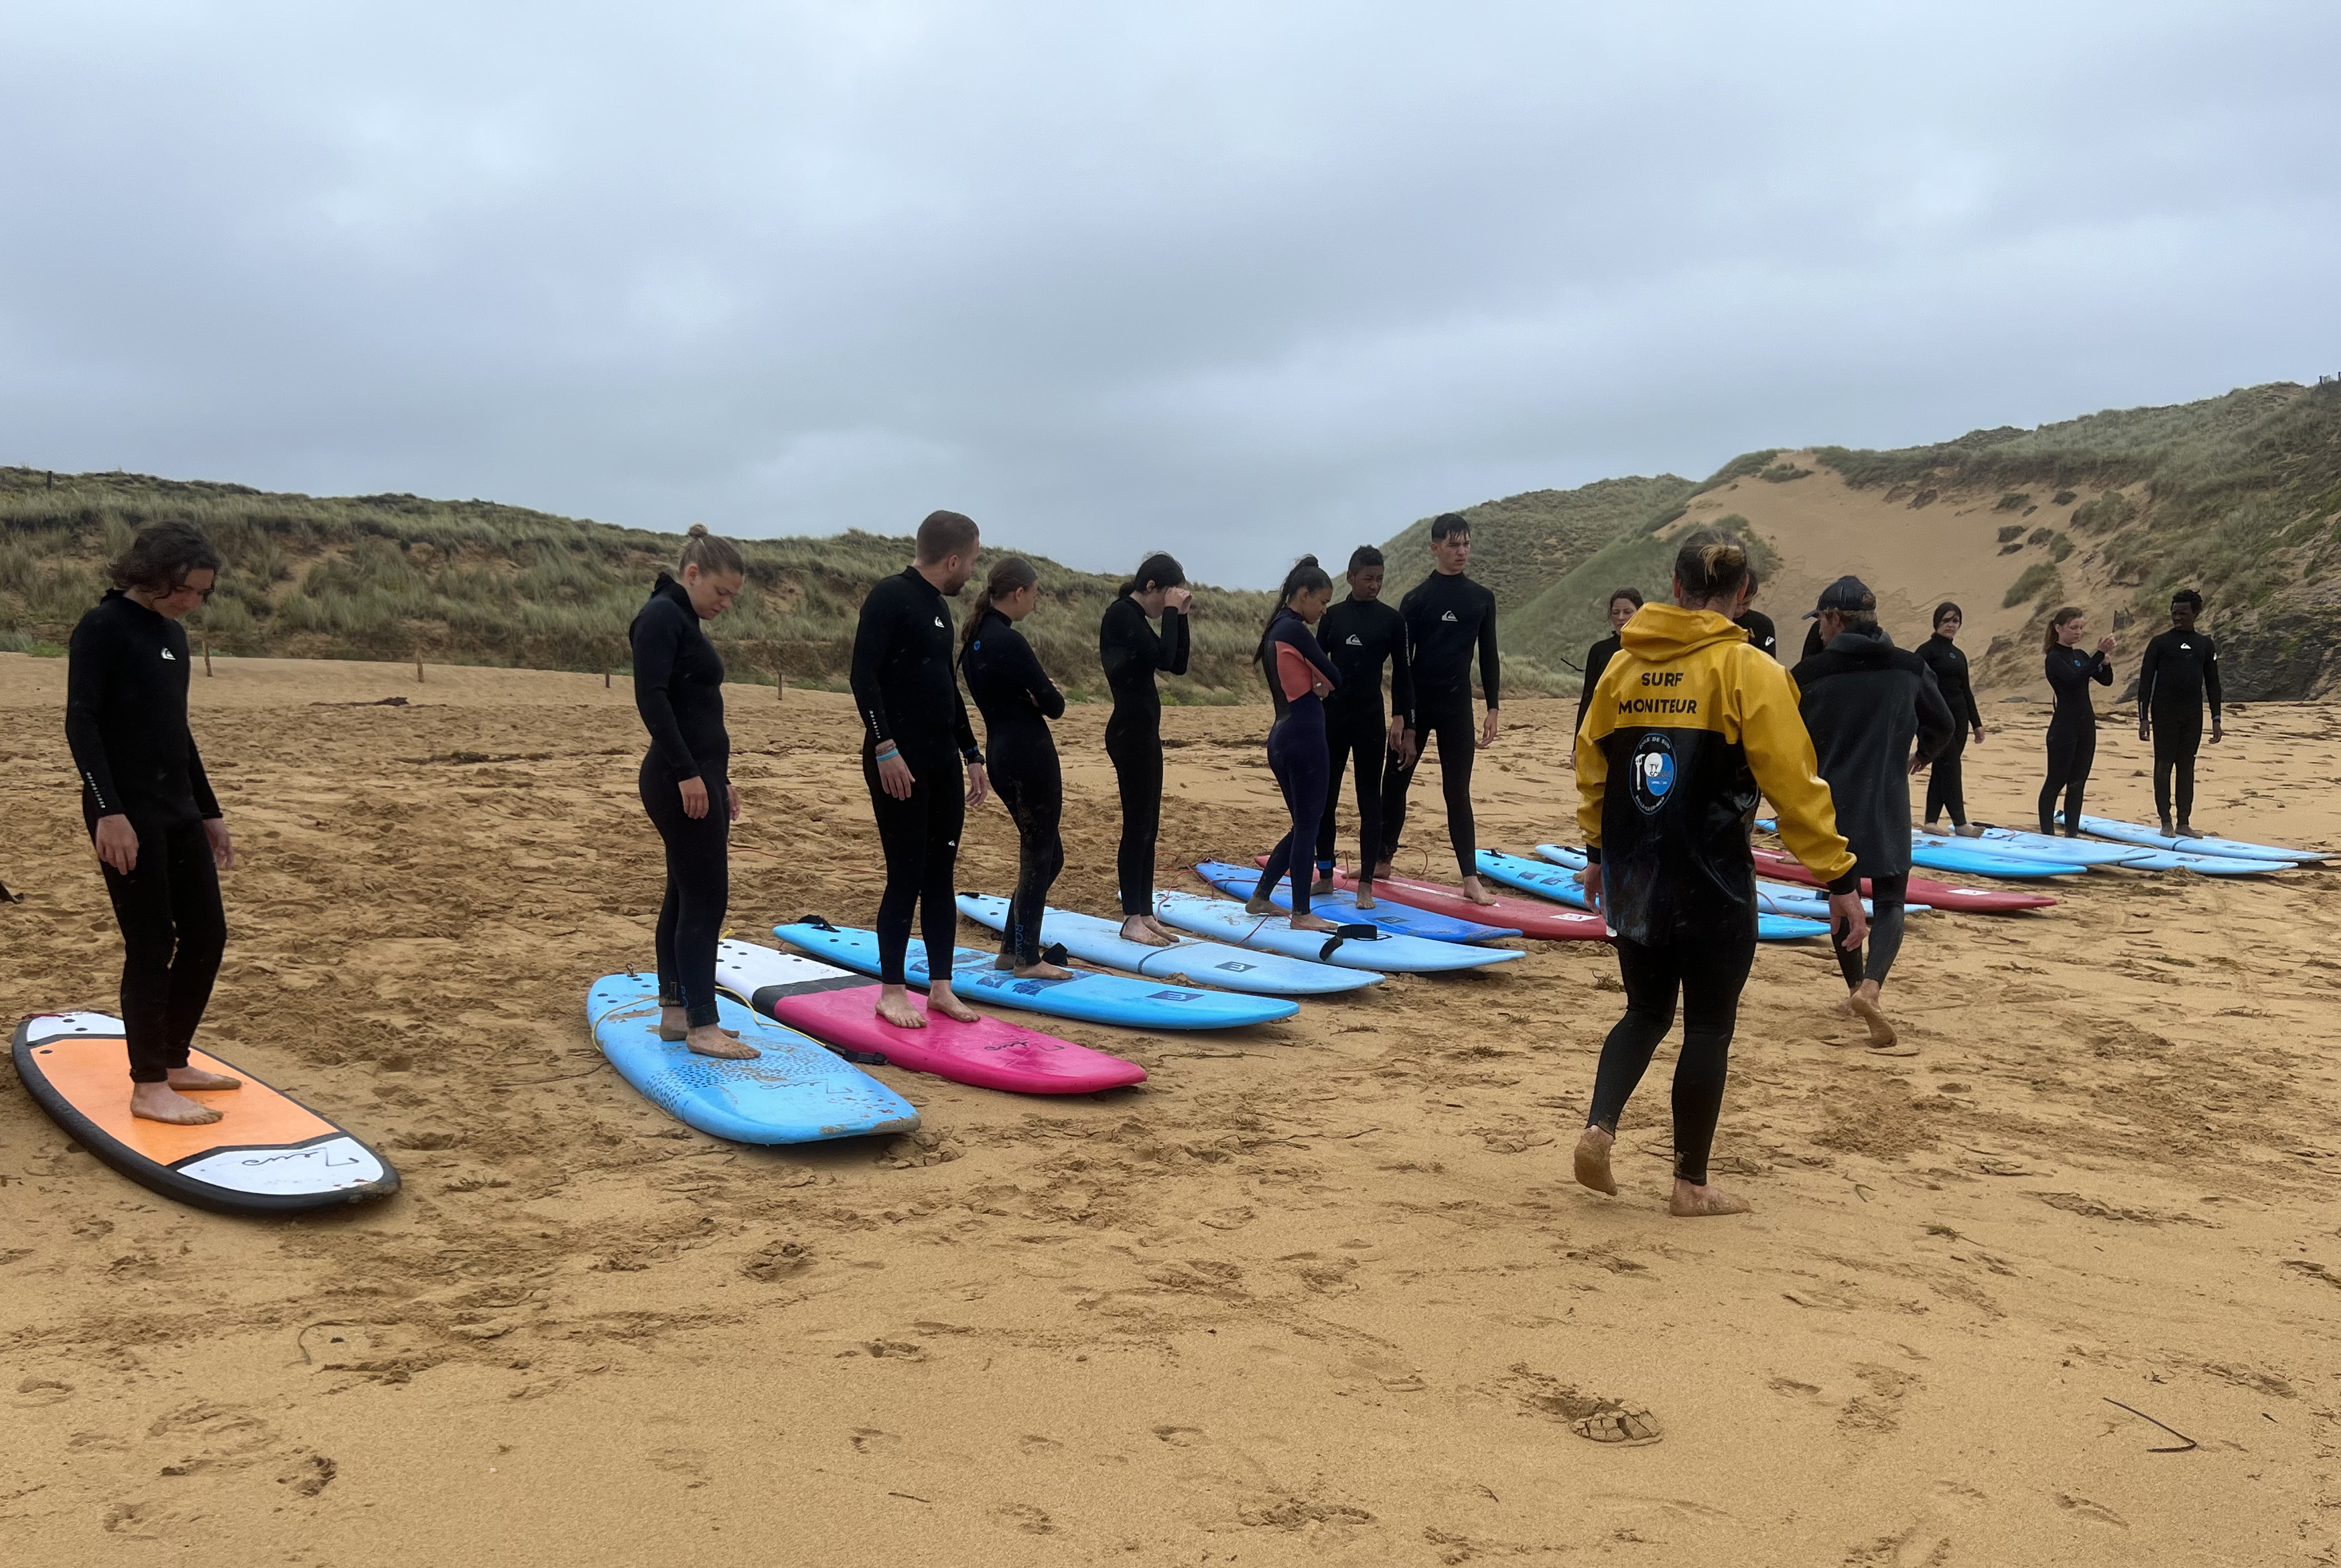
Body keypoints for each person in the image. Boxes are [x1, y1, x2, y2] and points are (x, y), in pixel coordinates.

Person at [1571, 532, 1867, 1218]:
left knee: (1644, 1010)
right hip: (1714, 878)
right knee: (1706, 1026)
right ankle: (1688, 1184)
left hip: (1636, 873)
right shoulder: (1750, 671)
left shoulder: (1622, 668)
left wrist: (1594, 850)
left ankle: (1598, 1125)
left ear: (1673, 587)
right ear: (1742, 596)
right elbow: (1795, 786)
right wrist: (1839, 878)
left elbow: (1591, 766)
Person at [65, 520, 241, 1125]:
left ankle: (172, 1059)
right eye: (185, 590)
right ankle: (148, 1088)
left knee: (206, 935)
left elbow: (177, 731)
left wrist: (210, 810)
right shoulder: (103, 627)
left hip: (177, 808)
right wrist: (107, 811)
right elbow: (81, 723)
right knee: (150, 942)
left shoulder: (172, 635)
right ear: (153, 574)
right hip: (126, 810)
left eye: (202, 593)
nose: (193, 602)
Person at [1792, 577, 1955, 1053]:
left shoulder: (1810, 674)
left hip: (1830, 802)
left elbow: (1781, 738)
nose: (1820, 630)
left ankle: (1853, 987)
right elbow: (1943, 722)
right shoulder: (1909, 666)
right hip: (1887, 797)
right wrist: (1923, 752)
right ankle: (1872, 987)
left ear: (1834, 619)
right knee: (1889, 901)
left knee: (1843, 899)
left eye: (1821, 620)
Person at [853, 510, 991, 1029]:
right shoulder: (890, 596)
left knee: (941, 874)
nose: (972, 573)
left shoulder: (939, 608)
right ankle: (891, 991)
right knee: (906, 873)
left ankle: (940, 987)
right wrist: (884, 744)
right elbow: (861, 674)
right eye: (972, 562)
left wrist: (972, 753)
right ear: (952, 559)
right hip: (898, 761)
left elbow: (944, 690)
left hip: (939, 760)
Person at [632, 524, 754, 1060]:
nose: (726, 603)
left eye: (734, 596)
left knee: (684, 893)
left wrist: (719, 778)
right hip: (676, 778)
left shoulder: (682, 618)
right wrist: (688, 774)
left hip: (697, 776)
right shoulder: (662, 616)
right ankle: (704, 1026)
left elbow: (698, 711)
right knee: (706, 897)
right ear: (692, 574)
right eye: (720, 591)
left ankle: (676, 1014)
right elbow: (652, 699)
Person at [1380, 513, 1501, 903]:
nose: (1461, 551)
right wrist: (1402, 716)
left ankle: (1470, 879)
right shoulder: (1417, 600)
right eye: (1453, 545)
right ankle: (1383, 859)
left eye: (1466, 544)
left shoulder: (1481, 598)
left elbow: (1490, 656)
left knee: (1457, 791)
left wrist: (1493, 707)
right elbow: (1404, 664)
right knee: (1394, 782)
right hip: (1417, 703)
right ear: (1435, 548)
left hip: (1456, 707)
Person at [959, 557, 1071, 979]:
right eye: (1036, 593)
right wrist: (1043, 697)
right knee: (1040, 853)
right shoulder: (1009, 641)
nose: (1037, 603)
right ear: (1019, 593)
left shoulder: (975, 642)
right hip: (1029, 756)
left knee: (1047, 853)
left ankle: (1012, 947)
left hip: (1003, 753)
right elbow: (1056, 705)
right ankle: (1026, 957)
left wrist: (1036, 696)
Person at [1099, 553, 1192, 946]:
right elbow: (1164, 657)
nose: (1166, 607)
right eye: (1165, 598)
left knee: (1149, 826)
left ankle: (1145, 911)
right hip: (1128, 733)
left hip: (1144, 732)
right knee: (1136, 825)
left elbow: (1179, 664)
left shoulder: (1137, 619)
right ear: (1151, 587)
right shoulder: (1121, 614)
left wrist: (1181, 615)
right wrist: (1172, 613)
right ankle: (1130, 917)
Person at [1312, 546, 1412, 908]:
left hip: (1370, 717)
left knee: (1370, 800)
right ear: (1351, 577)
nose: (1374, 585)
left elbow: (1403, 673)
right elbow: (1316, 664)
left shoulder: (1391, 620)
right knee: (1326, 798)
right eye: (1368, 578)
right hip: (1334, 717)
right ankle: (1325, 875)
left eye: (1380, 579)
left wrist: (1402, 718)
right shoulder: (1333, 617)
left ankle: (1366, 882)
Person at [1248, 558, 1343, 932]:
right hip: (1304, 736)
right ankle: (1301, 913)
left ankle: (1260, 897)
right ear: (1303, 595)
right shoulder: (1296, 630)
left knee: (1305, 823)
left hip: (1282, 735)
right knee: (1309, 827)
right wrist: (1324, 684)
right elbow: (1334, 675)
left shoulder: (1275, 628)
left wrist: (1317, 684)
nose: (1323, 610)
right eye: (1321, 602)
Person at [2137, 589, 2222, 836]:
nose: (2178, 617)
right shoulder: (2159, 643)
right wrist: (2143, 718)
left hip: (2192, 714)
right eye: (2174, 613)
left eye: (2183, 613)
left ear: (2196, 613)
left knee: (2187, 766)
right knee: (2163, 765)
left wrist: (2216, 718)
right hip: (2164, 712)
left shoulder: (2205, 645)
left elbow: (2213, 684)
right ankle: (2165, 820)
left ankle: (2183, 822)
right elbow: (2145, 683)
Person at [2038, 606, 2115, 836]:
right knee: (2056, 781)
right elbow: (2073, 679)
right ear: (2059, 628)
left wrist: (2106, 662)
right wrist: (2099, 655)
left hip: (2086, 725)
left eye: (2081, 627)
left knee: (2078, 781)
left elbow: (2106, 681)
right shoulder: (2054, 658)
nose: (2078, 632)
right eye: (2073, 628)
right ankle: (2048, 833)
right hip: (2064, 726)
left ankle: (2072, 833)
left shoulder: (2081, 656)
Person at [1915, 601, 1986, 835]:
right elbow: (1916, 688)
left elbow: (1965, 690)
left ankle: (1931, 822)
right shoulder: (1926, 652)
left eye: (1955, 621)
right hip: (1937, 721)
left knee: (1943, 768)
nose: (1951, 625)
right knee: (1951, 767)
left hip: (1960, 720)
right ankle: (1960, 823)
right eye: (1946, 620)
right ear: (1937, 622)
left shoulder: (1959, 655)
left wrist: (1976, 724)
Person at [1575, 587, 1644, 737]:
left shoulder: (1650, 649)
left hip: (1638, 728)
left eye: (1627, 612)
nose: (1621, 617)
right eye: (1615, 612)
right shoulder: (1599, 651)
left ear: (1640, 613)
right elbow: (1588, 698)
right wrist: (1577, 744)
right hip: (1605, 728)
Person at [1734, 571, 1780, 660]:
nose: (1739, 610)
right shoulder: (1712, 621)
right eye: (1736, 604)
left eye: (1746, 603)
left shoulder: (1762, 625)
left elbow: (1770, 662)